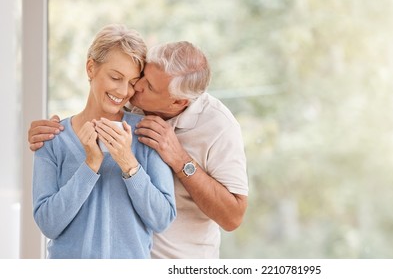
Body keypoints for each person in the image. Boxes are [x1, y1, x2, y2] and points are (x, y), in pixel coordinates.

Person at [29, 41, 248, 259]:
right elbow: (98, 101)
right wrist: (49, 133)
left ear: (177, 102)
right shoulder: (132, 103)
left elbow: (232, 218)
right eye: (141, 76)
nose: (134, 88)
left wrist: (180, 160)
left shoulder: (219, 126)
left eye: (149, 86)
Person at [31, 24, 176, 259]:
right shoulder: (52, 139)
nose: (123, 90)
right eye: (115, 77)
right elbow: (48, 224)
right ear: (91, 68)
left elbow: (161, 220)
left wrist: (128, 162)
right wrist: (90, 165)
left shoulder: (146, 133)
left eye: (132, 82)